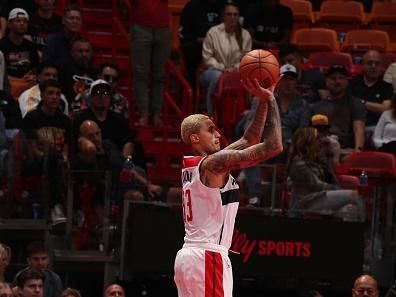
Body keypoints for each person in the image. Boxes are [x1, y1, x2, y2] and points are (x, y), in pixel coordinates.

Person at [174, 78, 283, 297]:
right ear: (195, 138)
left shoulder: (202, 164)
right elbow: (274, 146)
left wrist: (261, 99)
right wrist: (271, 101)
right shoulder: (214, 165)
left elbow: (249, 138)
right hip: (207, 255)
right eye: (210, 130)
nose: (217, 134)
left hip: (191, 256)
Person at [287, 127, 364, 220]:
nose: (320, 141)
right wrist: (338, 190)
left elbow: (333, 180)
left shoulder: (317, 160)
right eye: (317, 139)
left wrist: (327, 155)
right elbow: (317, 185)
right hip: (309, 202)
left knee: (349, 210)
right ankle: (371, 230)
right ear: (308, 142)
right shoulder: (298, 164)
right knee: (356, 195)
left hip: (321, 197)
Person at [200, 3, 251, 116]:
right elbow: (207, 58)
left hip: (237, 71)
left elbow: (246, 59)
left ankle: (242, 114)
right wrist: (223, 68)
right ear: (223, 16)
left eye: (235, 15)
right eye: (229, 14)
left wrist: (235, 68)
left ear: (239, 17)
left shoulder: (245, 35)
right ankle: (211, 114)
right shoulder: (213, 32)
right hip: (213, 70)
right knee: (217, 77)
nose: (232, 17)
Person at [312, 65, 366, 162]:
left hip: (345, 151)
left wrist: (358, 152)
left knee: (350, 160)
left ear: (346, 81)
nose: (337, 81)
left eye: (341, 78)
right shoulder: (317, 107)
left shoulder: (355, 103)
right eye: (333, 78)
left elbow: (359, 129)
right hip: (321, 150)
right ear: (326, 81)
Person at [130, 0, 171, 127]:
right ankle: (144, 113)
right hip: (141, 26)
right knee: (140, 74)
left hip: (163, 28)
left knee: (159, 75)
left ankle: (156, 114)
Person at [179, 0, 222, 87]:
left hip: (220, 47)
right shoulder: (192, 6)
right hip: (197, 47)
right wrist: (199, 39)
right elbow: (183, 34)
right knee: (191, 51)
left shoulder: (223, 6)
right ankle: (193, 92)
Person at [349, 50, 393, 130]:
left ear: (381, 66)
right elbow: (347, 105)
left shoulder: (386, 87)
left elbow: (385, 109)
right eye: (369, 63)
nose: (373, 66)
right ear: (362, 65)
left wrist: (361, 102)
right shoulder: (352, 83)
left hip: (377, 127)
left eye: (377, 63)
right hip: (353, 127)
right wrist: (375, 106)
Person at [0, 8, 39, 82]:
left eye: (25, 21)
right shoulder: (1, 46)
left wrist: (32, 75)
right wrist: (18, 80)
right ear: (9, 24)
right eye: (18, 21)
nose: (22, 23)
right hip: (7, 85)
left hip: (27, 84)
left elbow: (36, 67)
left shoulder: (31, 46)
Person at [58, 37, 95, 112]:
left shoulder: (95, 73)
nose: (84, 54)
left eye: (87, 51)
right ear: (72, 53)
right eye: (80, 51)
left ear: (91, 53)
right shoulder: (63, 70)